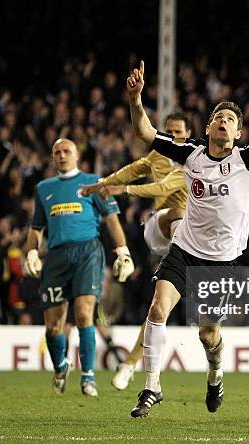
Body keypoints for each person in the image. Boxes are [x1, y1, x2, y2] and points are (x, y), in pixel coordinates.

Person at [125, 53, 249, 417]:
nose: (222, 123)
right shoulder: (191, 154)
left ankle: (215, 373)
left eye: (230, 120)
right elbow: (146, 133)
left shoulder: (248, 160)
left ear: (238, 132)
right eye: (217, 118)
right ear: (209, 127)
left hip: (222, 261)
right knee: (157, 307)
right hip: (185, 249)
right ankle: (151, 386)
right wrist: (136, 99)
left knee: (207, 335)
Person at [82, 112, 191, 390]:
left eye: (178, 132)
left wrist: (123, 189)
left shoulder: (194, 160)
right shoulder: (156, 157)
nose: (172, 136)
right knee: (178, 211)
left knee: (159, 309)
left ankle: (128, 365)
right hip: (160, 227)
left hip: (189, 234)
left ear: (188, 134)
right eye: (167, 131)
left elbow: (164, 185)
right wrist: (106, 183)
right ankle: (183, 256)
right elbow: (135, 171)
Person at [23, 138, 135, 397]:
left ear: (77, 155)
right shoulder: (44, 188)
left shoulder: (94, 182)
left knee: (85, 314)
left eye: (66, 151)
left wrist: (123, 252)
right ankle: (61, 367)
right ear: (53, 158)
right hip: (56, 257)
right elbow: (36, 228)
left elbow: (111, 220)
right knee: (54, 326)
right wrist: (31, 251)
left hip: (88, 252)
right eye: (57, 152)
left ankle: (88, 378)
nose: (62, 156)